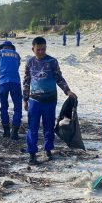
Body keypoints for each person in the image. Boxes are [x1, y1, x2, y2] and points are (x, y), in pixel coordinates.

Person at [23, 36, 77, 165]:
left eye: (43, 49)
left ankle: (48, 150)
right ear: (33, 49)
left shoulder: (52, 62)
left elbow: (59, 78)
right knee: (33, 127)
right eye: (38, 49)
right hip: (34, 101)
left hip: (50, 100)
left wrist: (67, 91)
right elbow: (26, 82)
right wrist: (25, 99)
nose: (41, 52)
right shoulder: (29, 62)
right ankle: (32, 153)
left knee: (49, 127)